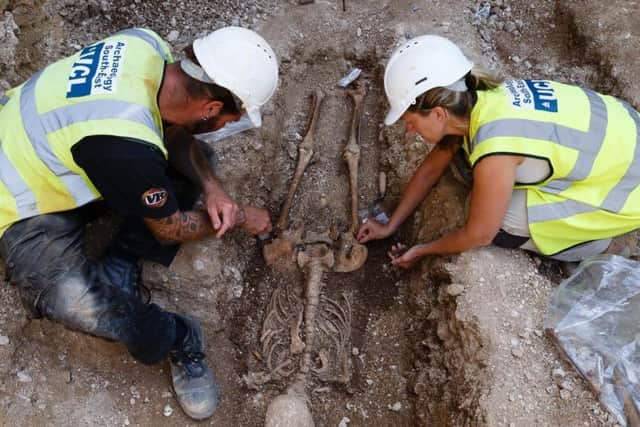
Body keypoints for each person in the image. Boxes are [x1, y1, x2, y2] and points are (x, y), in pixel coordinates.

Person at [0, 26, 278, 420]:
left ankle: (121, 260)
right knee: (69, 300)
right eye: (228, 121)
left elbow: (174, 132)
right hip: (21, 203)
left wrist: (214, 189)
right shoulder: (127, 149)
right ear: (212, 109)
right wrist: (241, 218)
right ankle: (181, 336)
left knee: (197, 167)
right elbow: (171, 227)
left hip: (51, 147)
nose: (222, 129)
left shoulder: (145, 45)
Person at [357, 34, 640, 269]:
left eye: (410, 122)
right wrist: (391, 224)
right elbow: (433, 167)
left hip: (626, 191)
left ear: (439, 113)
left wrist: (421, 251)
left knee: (496, 220)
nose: (409, 130)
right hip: (625, 129)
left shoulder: (494, 147)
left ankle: (593, 243)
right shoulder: (481, 99)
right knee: (463, 163)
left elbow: (479, 234)